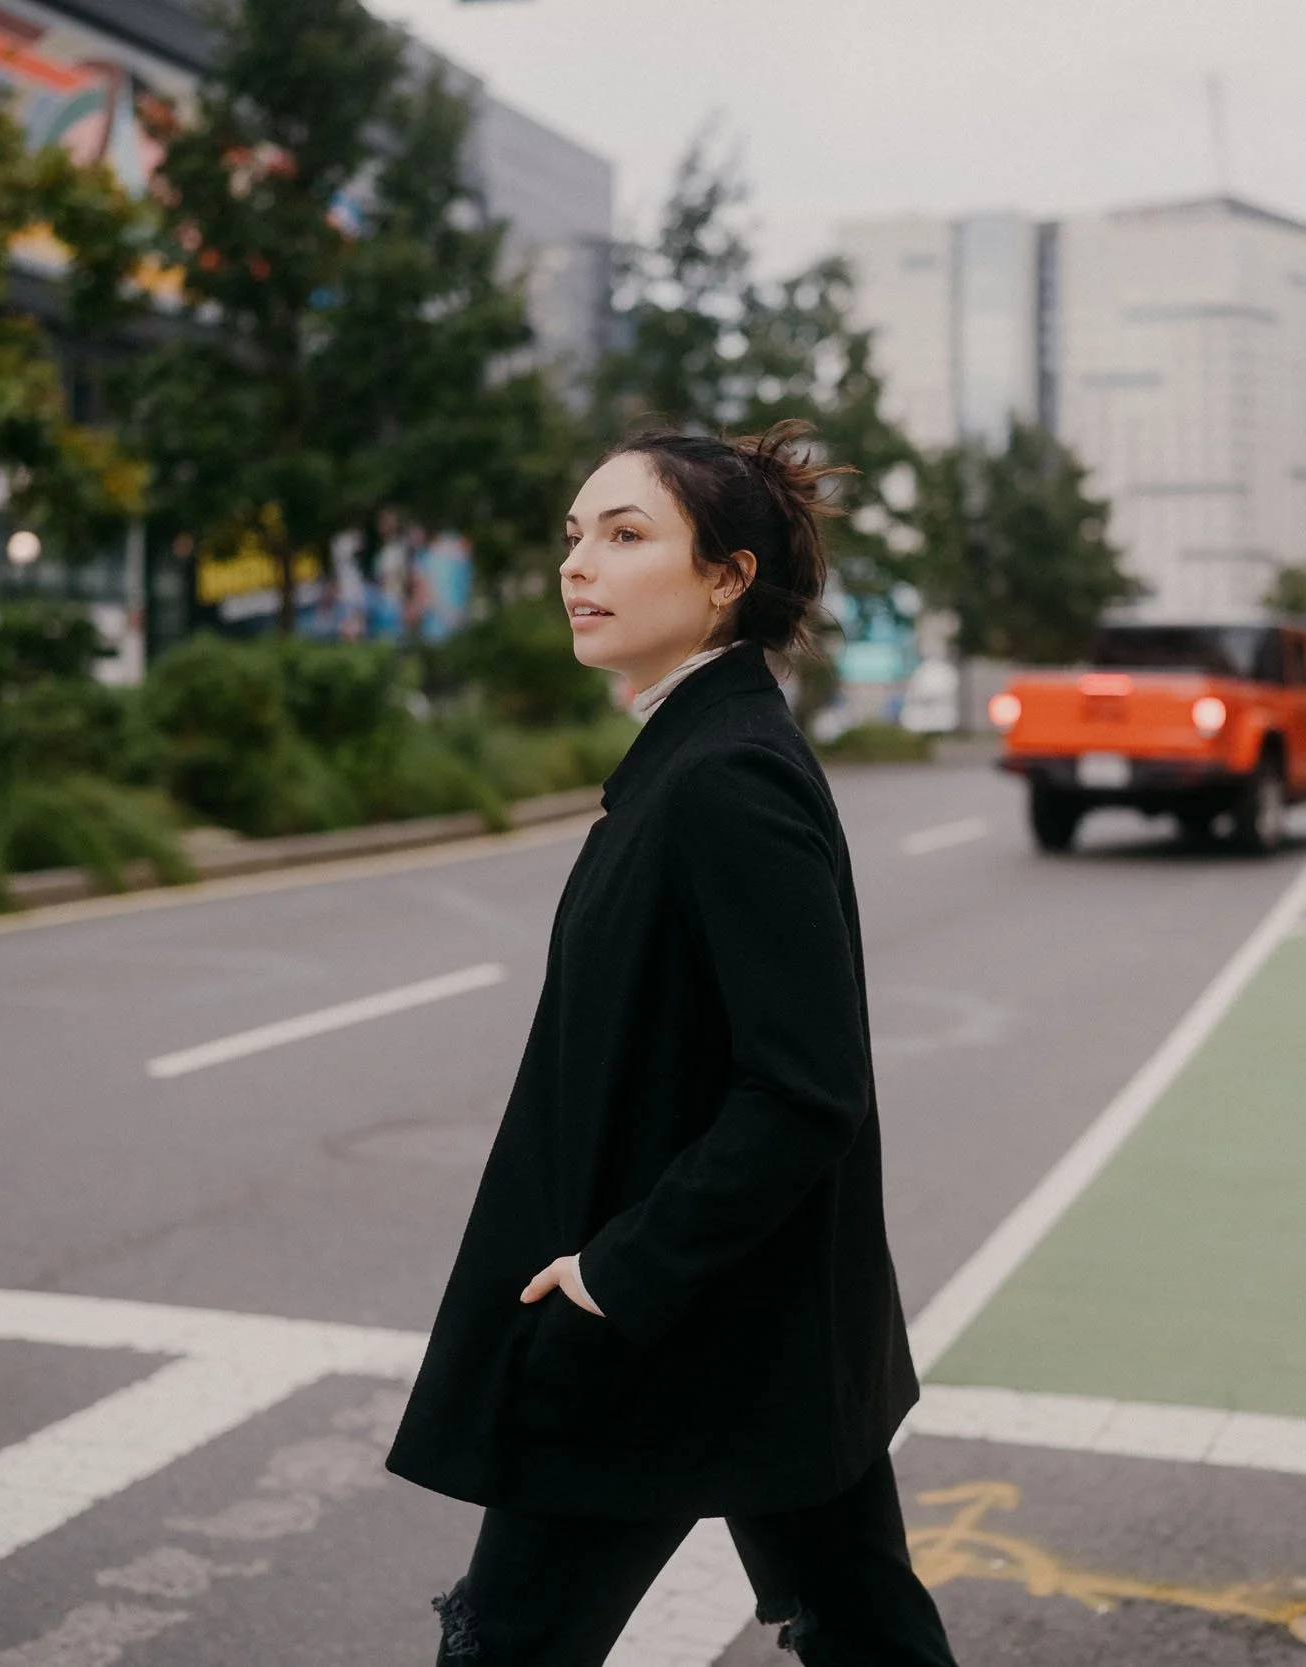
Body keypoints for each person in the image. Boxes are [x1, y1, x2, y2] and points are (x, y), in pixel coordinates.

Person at [386, 422, 959, 1667]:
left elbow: (804, 1089)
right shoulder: (694, 751)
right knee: (864, 1626)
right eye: (575, 535)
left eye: (626, 533)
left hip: (660, 1326)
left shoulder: (724, 777)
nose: (578, 563)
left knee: (508, 1646)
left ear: (726, 578)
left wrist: (614, 1274)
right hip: (756, 1322)